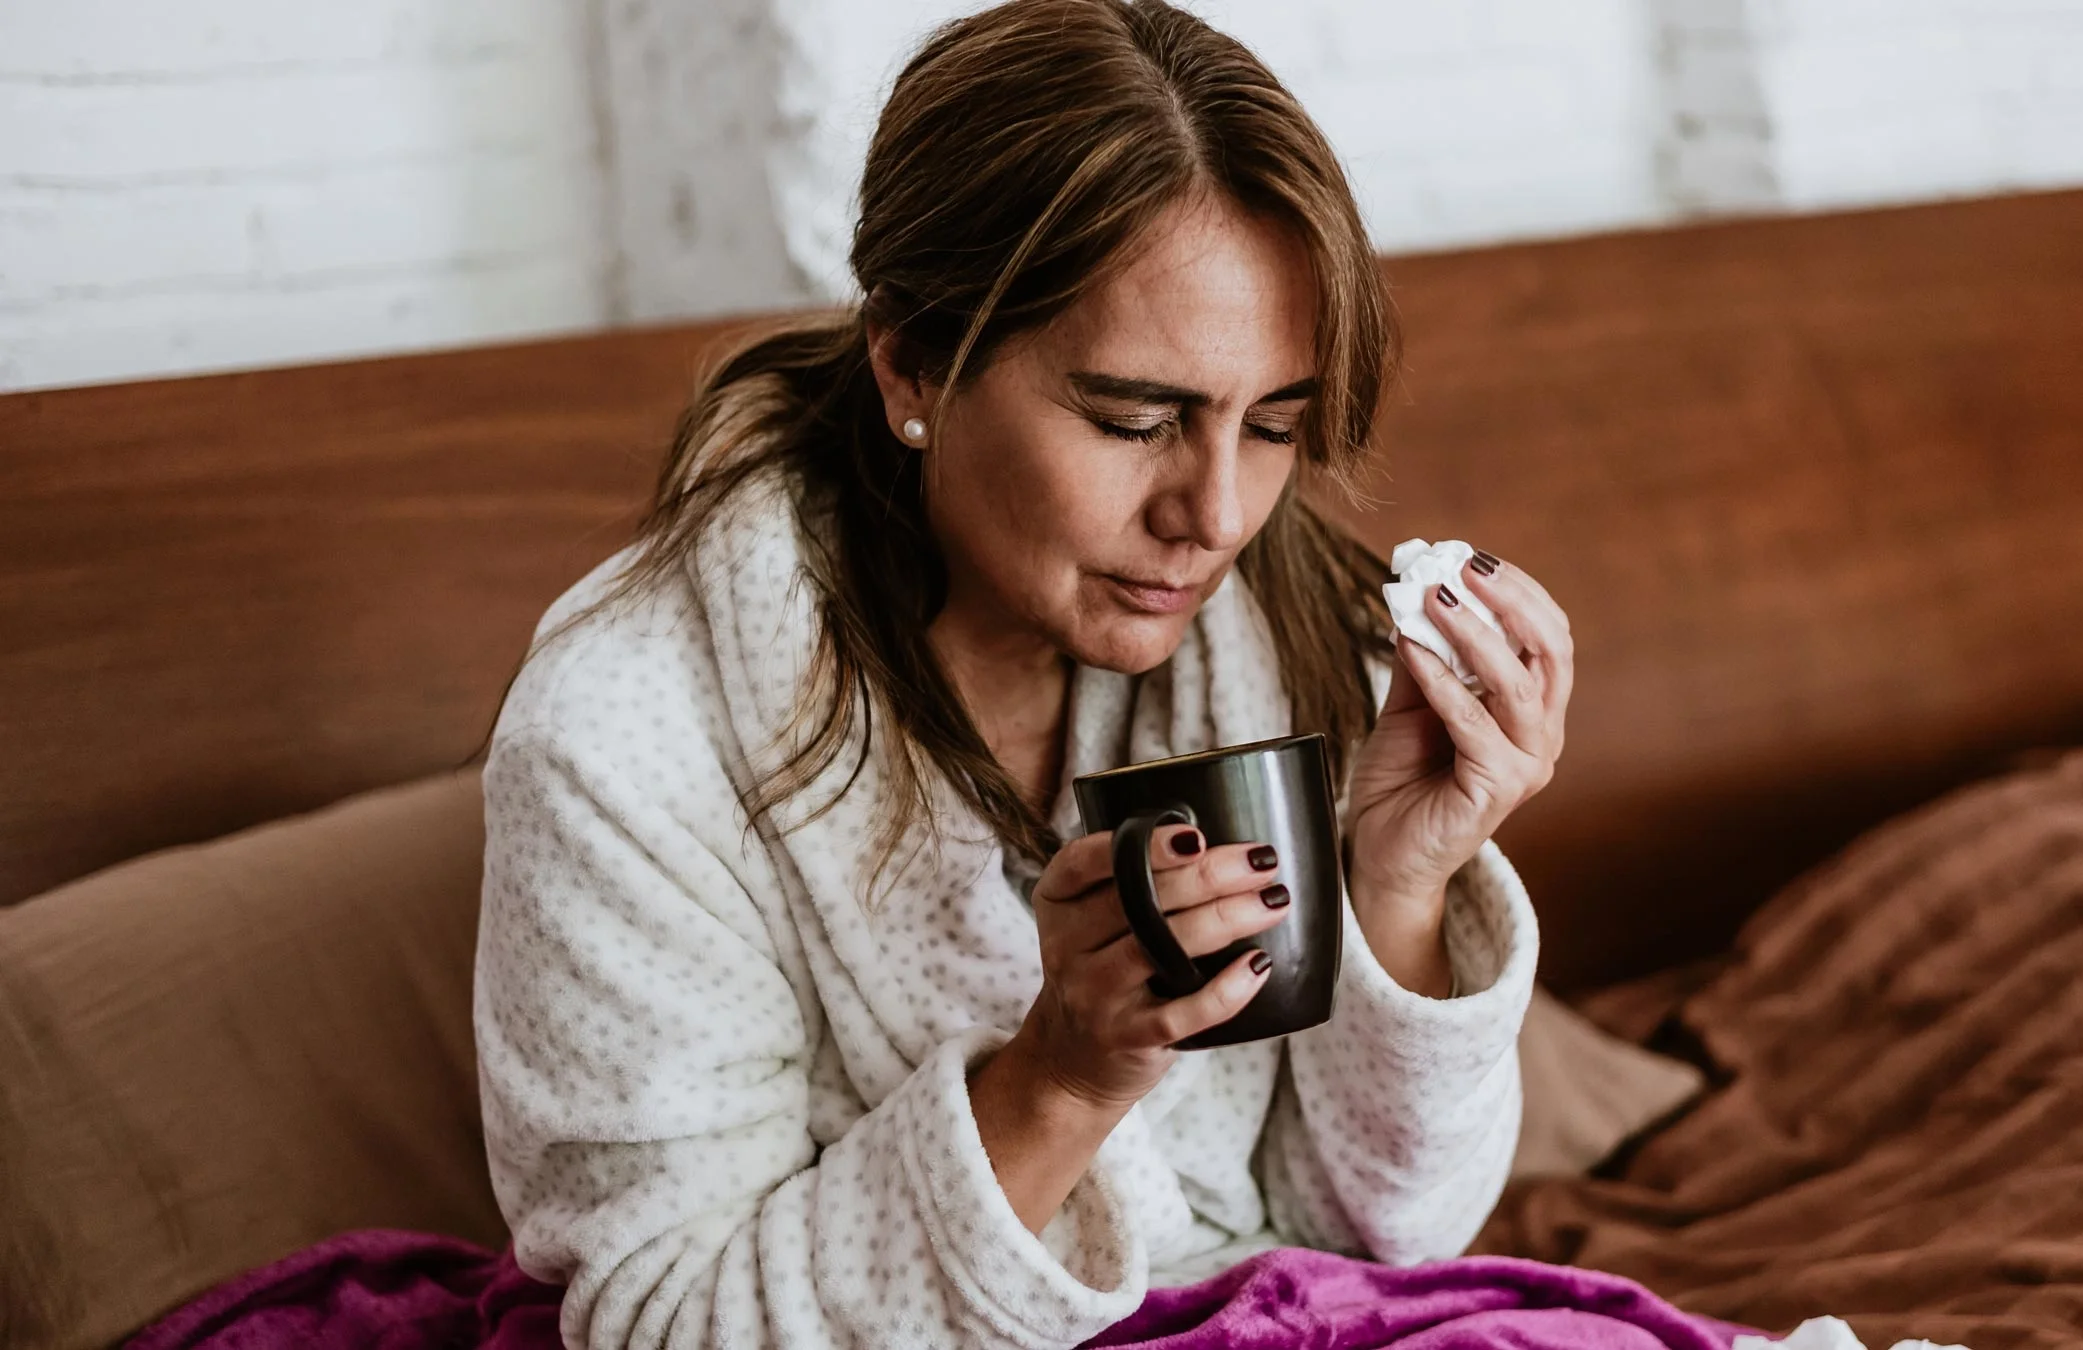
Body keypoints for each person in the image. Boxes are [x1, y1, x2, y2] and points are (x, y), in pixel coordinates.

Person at [470, 2, 1574, 1346]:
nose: (1216, 512)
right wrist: (1059, 1080)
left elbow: (1388, 1234)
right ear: (912, 363)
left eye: (1275, 423)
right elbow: (665, 1325)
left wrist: (1400, 888)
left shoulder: (1279, 625)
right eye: (1132, 417)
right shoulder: (626, 737)